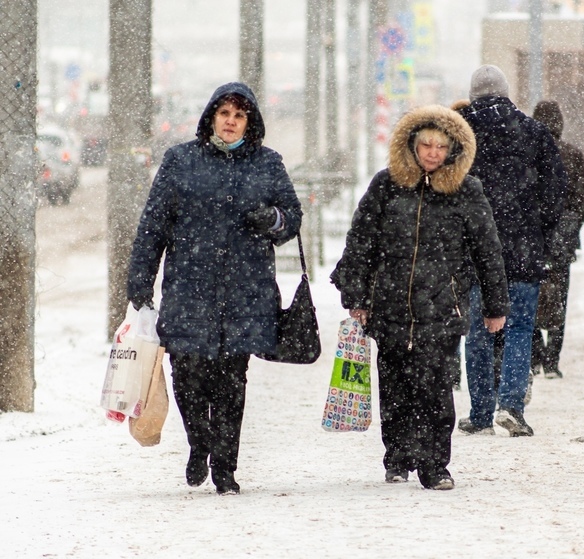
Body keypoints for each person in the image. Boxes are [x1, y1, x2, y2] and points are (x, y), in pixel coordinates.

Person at [127, 82, 302, 495]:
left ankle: (225, 466)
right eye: (224, 113)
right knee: (188, 375)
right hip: (189, 288)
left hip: (246, 290)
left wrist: (272, 219)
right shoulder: (180, 161)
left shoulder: (267, 163)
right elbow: (153, 225)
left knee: (231, 381)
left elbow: (292, 217)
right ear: (211, 118)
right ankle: (198, 442)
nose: (230, 121)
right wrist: (140, 279)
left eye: (239, 115)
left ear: (250, 123)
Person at [330, 105, 509, 490]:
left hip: (442, 308)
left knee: (435, 389)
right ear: (410, 145)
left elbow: (487, 250)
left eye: (440, 146)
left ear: (453, 150)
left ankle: (434, 465)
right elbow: (361, 241)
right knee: (394, 388)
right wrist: (356, 295)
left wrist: (496, 305)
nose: (432, 152)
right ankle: (397, 456)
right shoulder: (386, 184)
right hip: (391, 305)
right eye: (425, 144)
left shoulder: (466, 191)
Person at [454, 65, 567, 437]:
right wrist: (538, 230)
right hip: (523, 248)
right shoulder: (534, 132)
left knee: (478, 331)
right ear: (505, 93)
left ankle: (482, 413)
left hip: (475, 251)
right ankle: (512, 406)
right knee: (519, 327)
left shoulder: (459, 134)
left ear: (473, 95)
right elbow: (555, 194)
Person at [530, 100, 584, 379]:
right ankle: (552, 361)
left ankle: (534, 356)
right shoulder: (572, 155)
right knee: (559, 299)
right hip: (562, 242)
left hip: (530, 241)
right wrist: (569, 228)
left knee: (527, 297)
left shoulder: (527, 153)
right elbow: (582, 199)